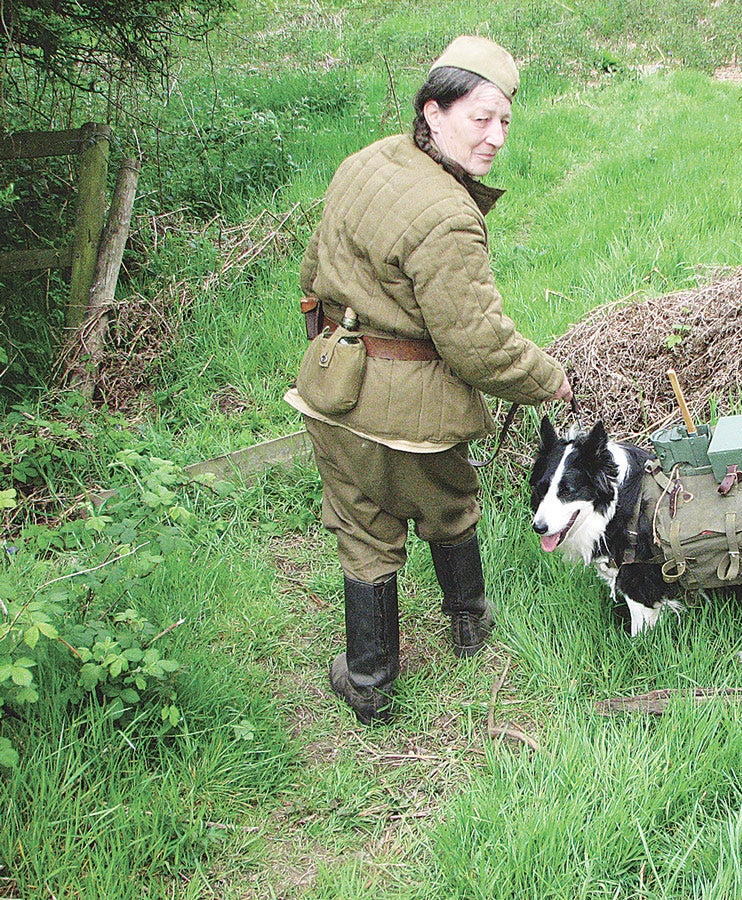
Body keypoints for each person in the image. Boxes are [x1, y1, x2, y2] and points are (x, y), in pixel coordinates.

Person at [286, 35, 573, 725]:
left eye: (506, 120)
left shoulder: (366, 163)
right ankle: (470, 626)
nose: (497, 136)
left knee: (362, 529)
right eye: (482, 117)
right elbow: (478, 349)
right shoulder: (448, 217)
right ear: (434, 111)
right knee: (449, 505)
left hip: (330, 387)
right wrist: (548, 379)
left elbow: (310, 272)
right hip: (413, 417)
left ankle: (370, 681)